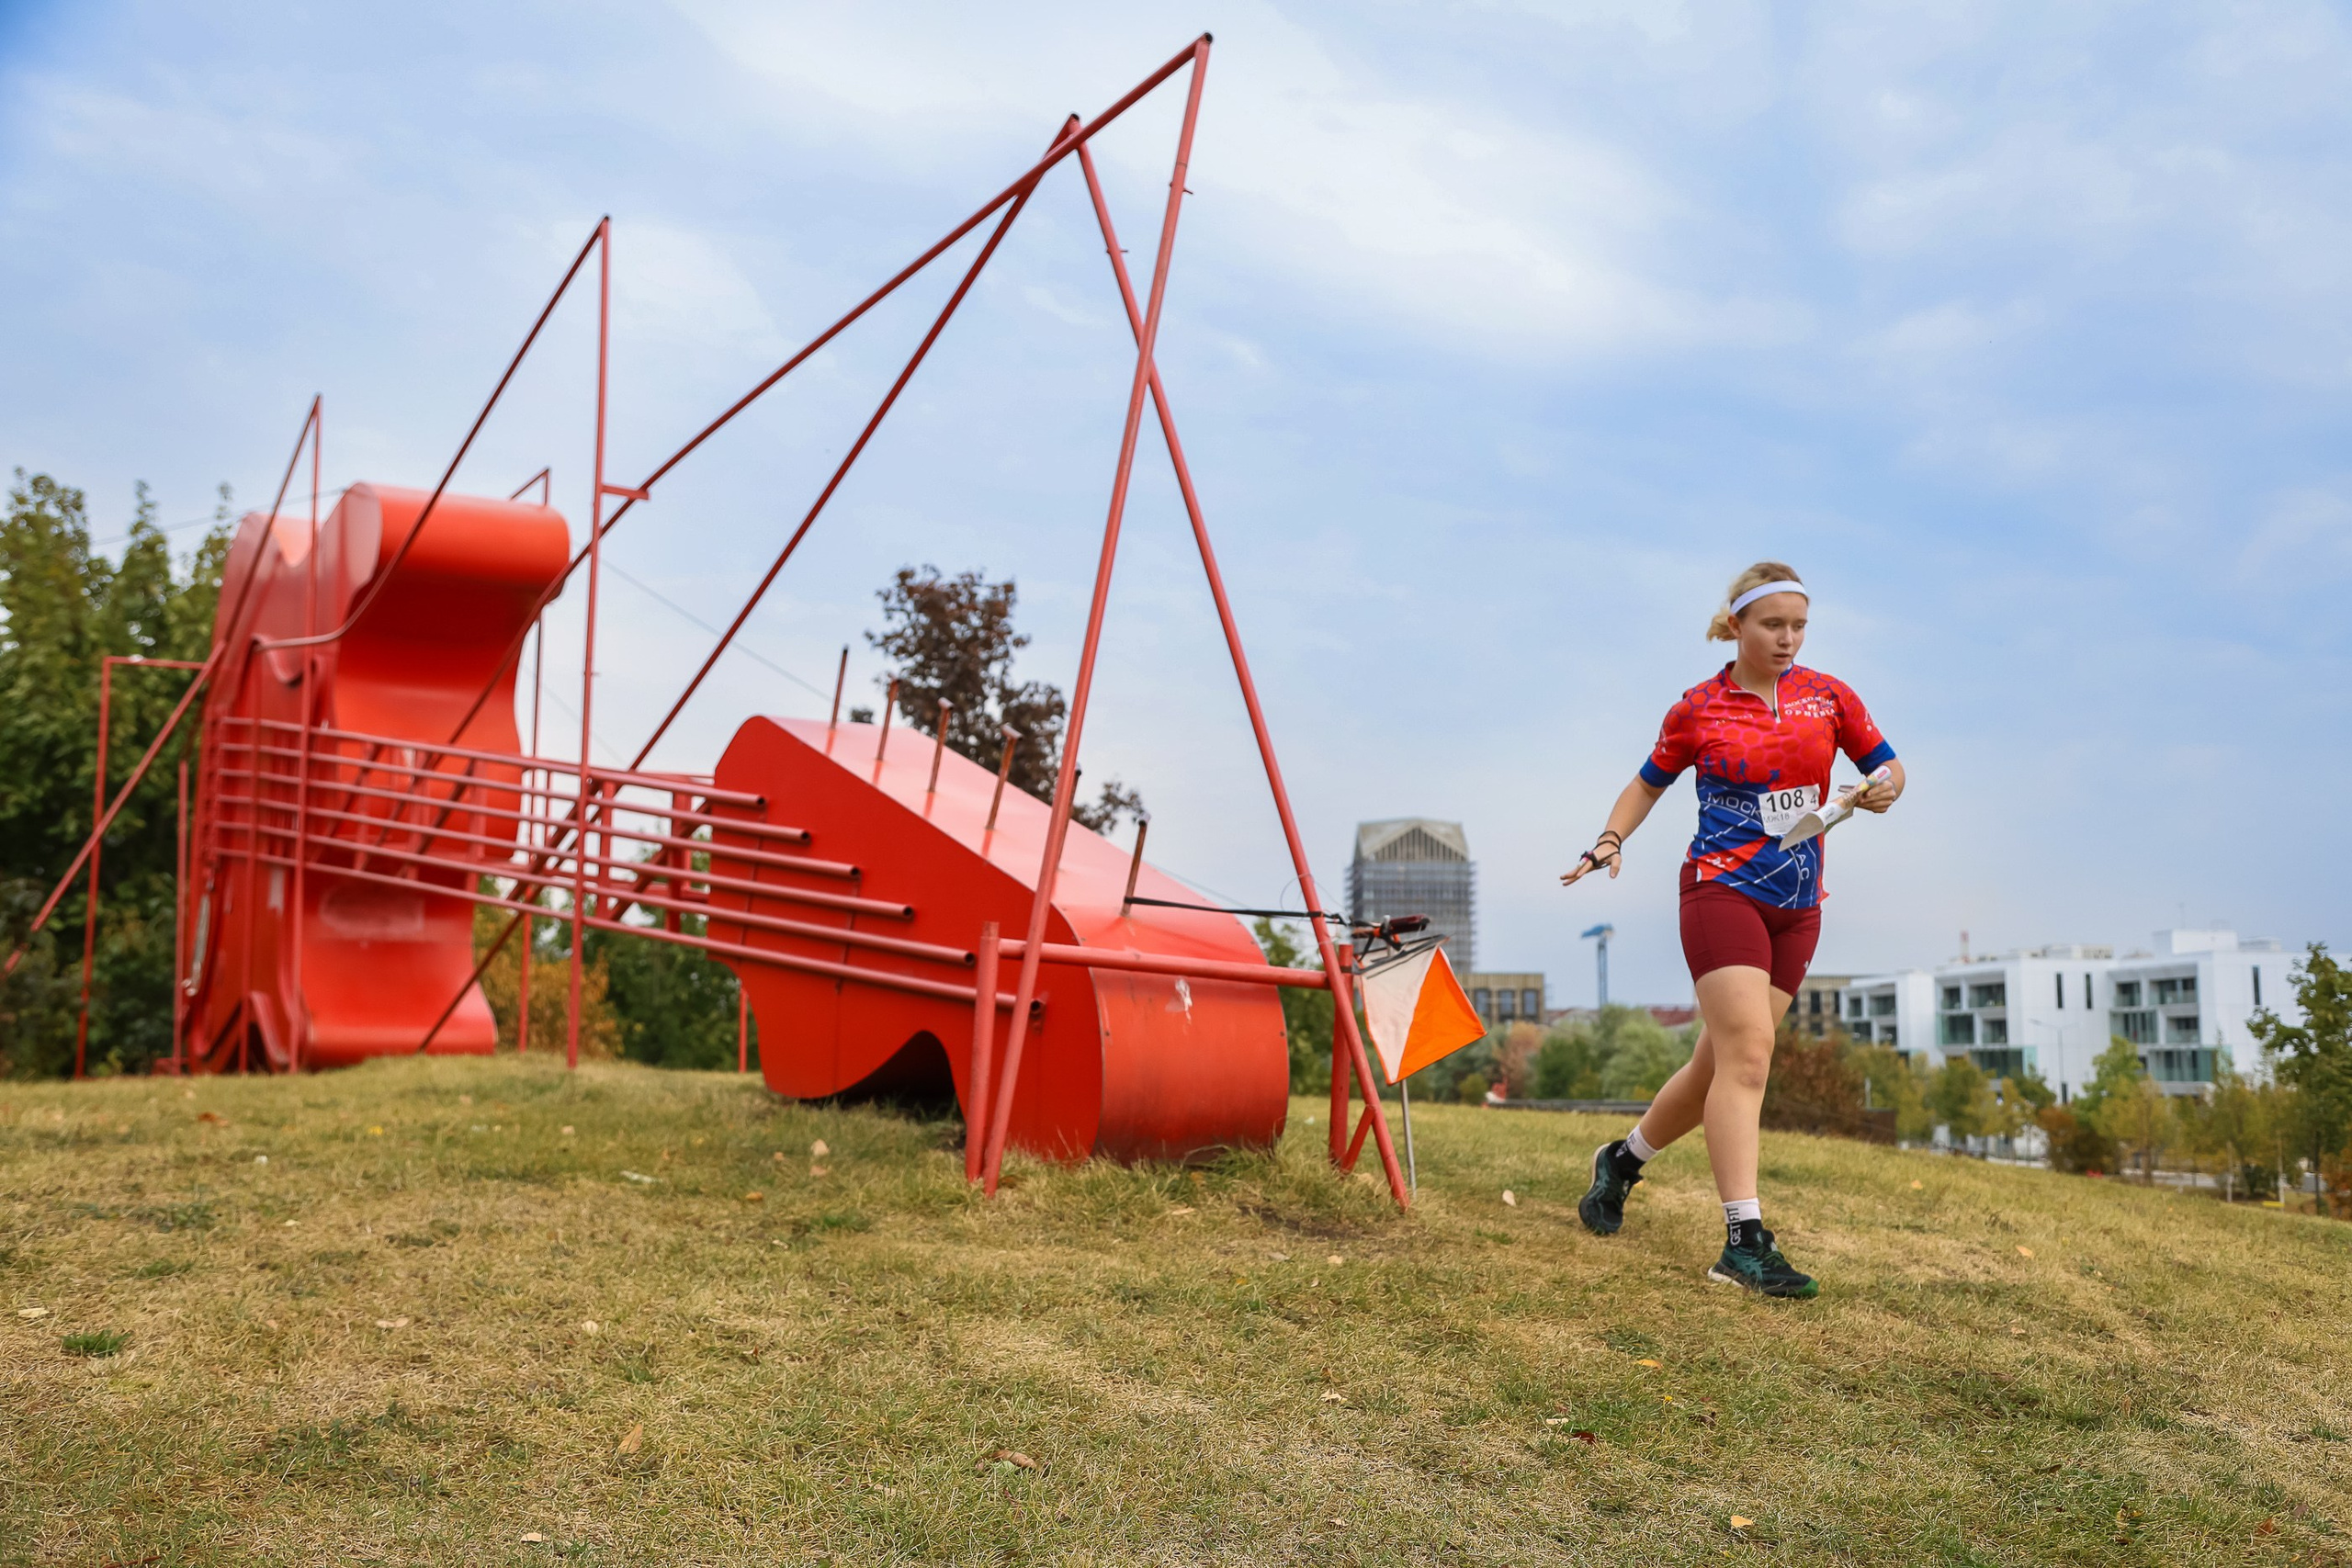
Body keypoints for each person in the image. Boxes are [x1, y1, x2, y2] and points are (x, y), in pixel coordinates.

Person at [1558, 562, 1904, 1298]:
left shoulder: (1830, 697)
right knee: (1750, 1056)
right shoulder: (1699, 708)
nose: (1787, 638)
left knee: (1718, 1066)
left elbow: (1890, 767)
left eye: (1799, 625)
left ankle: (1620, 1163)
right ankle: (1743, 1242)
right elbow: (1646, 782)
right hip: (1720, 892)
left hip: (1799, 904)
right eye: (1772, 624)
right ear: (1737, 624)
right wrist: (1610, 839)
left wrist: (1880, 791)